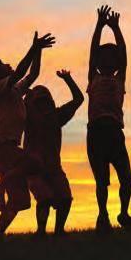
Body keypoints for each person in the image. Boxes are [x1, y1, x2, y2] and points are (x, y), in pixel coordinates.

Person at [0, 31, 55, 234]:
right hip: (0, 146)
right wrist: (33, 48)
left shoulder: (15, 91)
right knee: (36, 164)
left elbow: (32, 74)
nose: (7, 64)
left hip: (5, 149)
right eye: (2, 64)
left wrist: (39, 52)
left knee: (20, 202)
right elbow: (19, 71)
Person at [87, 5, 131, 232]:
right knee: (101, 180)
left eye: (112, 56)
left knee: (126, 179)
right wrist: (99, 25)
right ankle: (102, 216)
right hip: (96, 133)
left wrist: (116, 29)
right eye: (103, 55)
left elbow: (124, 53)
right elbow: (92, 50)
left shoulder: (120, 78)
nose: (108, 58)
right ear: (98, 62)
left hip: (115, 133)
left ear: (116, 62)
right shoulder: (93, 77)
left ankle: (123, 213)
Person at [24, 69, 84, 237]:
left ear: (50, 101)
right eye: (38, 99)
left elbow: (78, 99)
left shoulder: (57, 115)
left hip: (53, 168)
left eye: (44, 98)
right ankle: (41, 231)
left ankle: (58, 231)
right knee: (44, 199)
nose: (42, 102)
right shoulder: (28, 115)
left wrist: (68, 79)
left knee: (65, 199)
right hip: (33, 168)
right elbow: (19, 99)